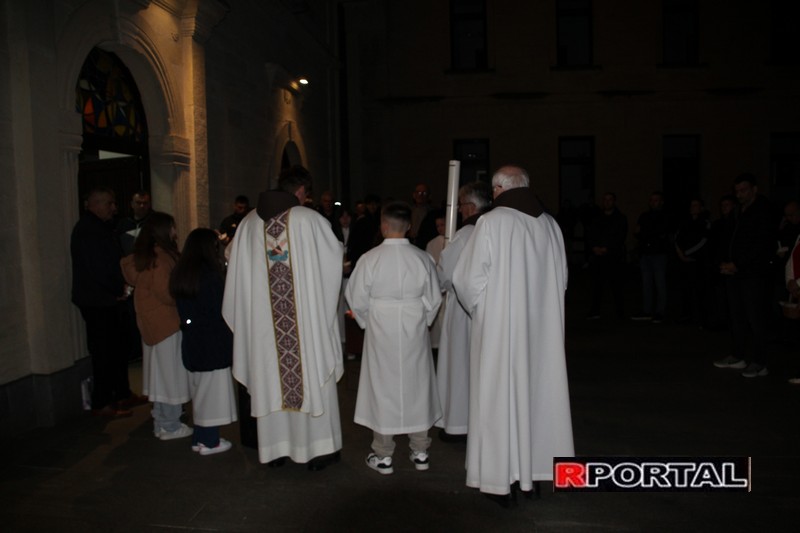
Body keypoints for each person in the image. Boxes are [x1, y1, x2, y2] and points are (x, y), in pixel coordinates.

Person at [452, 165, 574, 506]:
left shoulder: (492, 222)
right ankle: (532, 473)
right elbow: (563, 279)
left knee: (498, 399)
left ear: (497, 189)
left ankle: (500, 482)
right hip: (542, 333)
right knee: (537, 397)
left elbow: (466, 280)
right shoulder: (550, 225)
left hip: (501, 332)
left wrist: (483, 311)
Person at [222, 165, 344, 470]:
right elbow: (333, 260)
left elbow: (231, 259)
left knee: (269, 380)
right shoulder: (310, 220)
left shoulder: (248, 223)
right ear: (301, 191)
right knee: (312, 374)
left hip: (264, 331)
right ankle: (318, 450)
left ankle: (275, 450)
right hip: (304, 327)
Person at [345, 201, 442, 475]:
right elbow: (434, 299)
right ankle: (420, 450)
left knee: (382, 386)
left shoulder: (370, 258)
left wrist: (368, 321)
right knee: (417, 385)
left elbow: (355, 297)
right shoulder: (422, 258)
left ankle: (383, 454)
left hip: (381, 327)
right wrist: (421, 321)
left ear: (383, 226)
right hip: (413, 327)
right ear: (409, 227)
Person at [121, 212, 193, 440]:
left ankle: (161, 422)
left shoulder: (146, 257)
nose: (175, 232)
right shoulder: (161, 259)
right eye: (172, 227)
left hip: (153, 325)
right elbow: (167, 293)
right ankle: (170, 425)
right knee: (170, 377)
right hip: (167, 324)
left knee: (159, 377)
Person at [71, 188, 141, 417]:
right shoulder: (88, 230)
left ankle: (122, 394)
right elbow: (98, 268)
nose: (114, 208)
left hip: (107, 299)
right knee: (104, 352)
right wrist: (117, 290)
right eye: (109, 203)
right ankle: (102, 401)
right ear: (95, 204)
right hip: (98, 301)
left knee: (118, 349)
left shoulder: (101, 227)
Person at [170, 228, 238, 455]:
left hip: (193, 340)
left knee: (200, 391)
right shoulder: (209, 275)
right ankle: (209, 441)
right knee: (213, 393)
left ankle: (200, 438)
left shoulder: (183, 272)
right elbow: (219, 309)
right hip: (212, 342)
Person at [435, 181, 491, 441]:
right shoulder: (496, 228)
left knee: (459, 366)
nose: (459, 210)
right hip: (492, 309)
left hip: (462, 308)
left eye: (460, 205)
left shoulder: (465, 234)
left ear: (469, 207)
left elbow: (446, 272)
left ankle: (458, 424)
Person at [713, 173, 776, 377]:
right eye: (737, 191)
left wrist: (738, 264)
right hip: (734, 273)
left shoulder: (763, 211)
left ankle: (760, 362)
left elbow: (761, 244)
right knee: (737, 316)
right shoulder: (737, 211)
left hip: (753, 273)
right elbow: (728, 238)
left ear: (754, 189)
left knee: (755, 318)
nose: (740, 195)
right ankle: (738, 355)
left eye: (744, 190)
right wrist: (724, 262)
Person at [585, 192, 628, 320]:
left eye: (610, 199)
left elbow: (620, 236)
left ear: (614, 201)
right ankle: (595, 311)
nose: (607, 202)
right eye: (605, 200)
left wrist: (607, 248)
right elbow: (591, 234)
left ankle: (620, 312)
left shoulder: (620, 218)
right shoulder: (597, 218)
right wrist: (594, 247)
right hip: (599, 258)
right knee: (597, 285)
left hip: (614, 257)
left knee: (616, 286)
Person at [632, 192, 670, 323]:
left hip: (659, 254)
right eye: (651, 200)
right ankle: (647, 310)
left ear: (661, 202)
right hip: (646, 253)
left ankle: (660, 311)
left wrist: (647, 233)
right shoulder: (644, 215)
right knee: (646, 283)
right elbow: (637, 231)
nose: (653, 202)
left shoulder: (665, 216)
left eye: (656, 200)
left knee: (660, 284)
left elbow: (661, 233)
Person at [674, 198, 711, 326]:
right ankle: (686, 315)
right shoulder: (685, 222)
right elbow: (677, 238)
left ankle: (702, 317)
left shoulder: (705, 223)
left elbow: (703, 241)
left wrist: (688, 253)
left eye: (695, 205)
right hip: (684, 261)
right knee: (685, 289)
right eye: (691, 205)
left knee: (700, 290)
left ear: (701, 208)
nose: (692, 207)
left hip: (697, 261)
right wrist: (680, 253)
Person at [117, 190, 152, 255]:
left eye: (145, 203)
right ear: (132, 204)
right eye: (138, 203)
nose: (142, 206)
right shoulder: (123, 223)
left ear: (149, 204)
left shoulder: (154, 223)